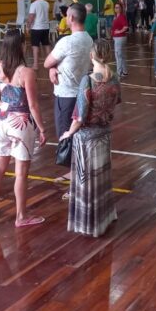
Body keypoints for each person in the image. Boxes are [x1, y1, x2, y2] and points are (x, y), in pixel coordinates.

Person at [0, 30, 47, 227]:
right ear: (21, 46)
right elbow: (33, 105)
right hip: (21, 123)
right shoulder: (26, 73)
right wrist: (42, 128)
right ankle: (21, 217)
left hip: (2, 120)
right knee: (21, 173)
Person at [61, 39, 122, 237]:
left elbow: (80, 116)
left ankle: (89, 223)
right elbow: (116, 101)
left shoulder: (87, 80)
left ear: (91, 55)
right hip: (104, 134)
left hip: (87, 139)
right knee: (102, 179)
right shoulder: (114, 78)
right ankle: (105, 216)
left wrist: (69, 133)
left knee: (86, 182)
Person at [45, 3, 93, 180]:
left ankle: (77, 177)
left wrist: (51, 67)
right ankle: (76, 172)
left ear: (71, 18)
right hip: (81, 93)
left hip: (66, 96)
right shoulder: (88, 39)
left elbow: (47, 62)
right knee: (77, 134)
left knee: (66, 136)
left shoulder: (67, 42)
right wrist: (53, 68)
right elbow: (52, 64)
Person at [27, 0, 51, 70]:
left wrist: (28, 26)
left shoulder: (34, 4)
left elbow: (31, 16)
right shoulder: (46, 3)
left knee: (35, 46)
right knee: (46, 45)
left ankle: (35, 65)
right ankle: (50, 63)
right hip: (45, 27)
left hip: (36, 27)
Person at [111, 2, 129, 78]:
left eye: (118, 7)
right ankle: (124, 71)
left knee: (118, 56)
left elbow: (126, 27)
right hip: (118, 38)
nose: (116, 9)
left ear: (121, 8)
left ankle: (119, 73)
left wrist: (119, 31)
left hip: (120, 38)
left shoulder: (121, 16)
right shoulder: (116, 16)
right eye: (115, 7)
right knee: (122, 55)